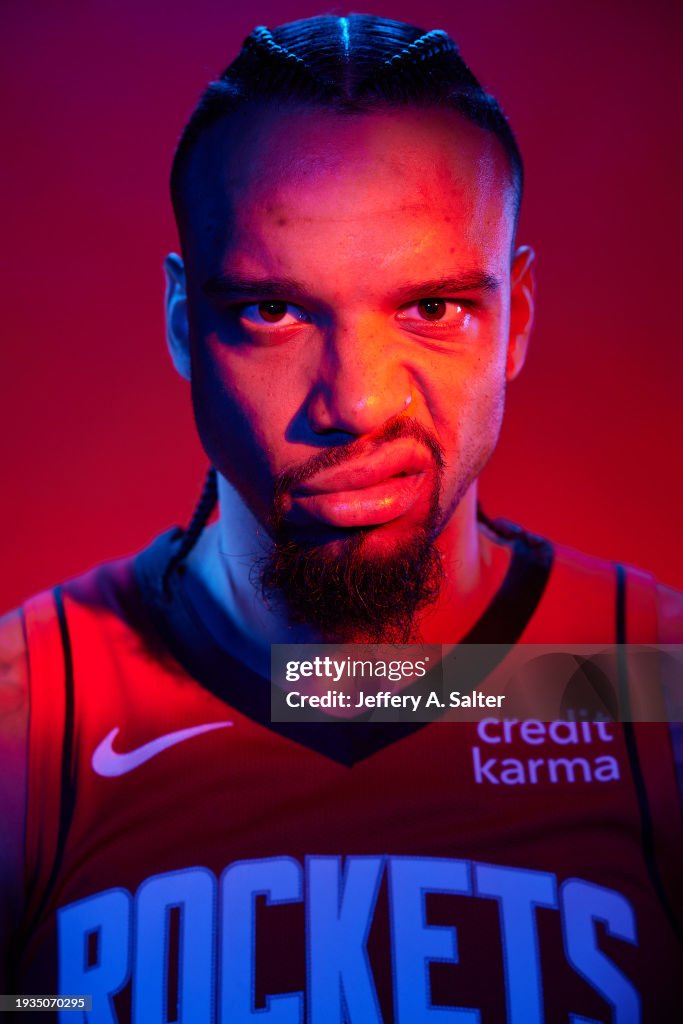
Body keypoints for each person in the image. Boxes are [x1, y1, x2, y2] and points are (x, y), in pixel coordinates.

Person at [1, 13, 681, 1022]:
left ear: (517, 320)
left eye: (434, 309)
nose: (354, 403)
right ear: (186, 323)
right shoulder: (36, 719)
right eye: (272, 311)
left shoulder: (647, 689)